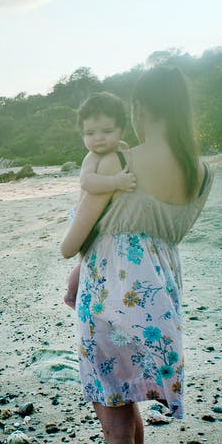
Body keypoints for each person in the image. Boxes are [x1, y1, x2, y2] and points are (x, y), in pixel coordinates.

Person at [60, 65, 213, 444]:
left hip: (109, 299)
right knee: (132, 401)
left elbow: (73, 243)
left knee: (116, 424)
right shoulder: (203, 172)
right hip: (160, 301)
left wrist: (76, 263)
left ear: (140, 109)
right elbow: (148, 234)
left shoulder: (117, 160)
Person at [62, 92, 138, 310]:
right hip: (83, 216)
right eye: (89, 133)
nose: (98, 138)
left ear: (122, 130)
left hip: (103, 216)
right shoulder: (92, 157)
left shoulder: (122, 149)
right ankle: (71, 292)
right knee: (84, 259)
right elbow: (87, 182)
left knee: (94, 261)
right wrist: (115, 181)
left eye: (107, 131)